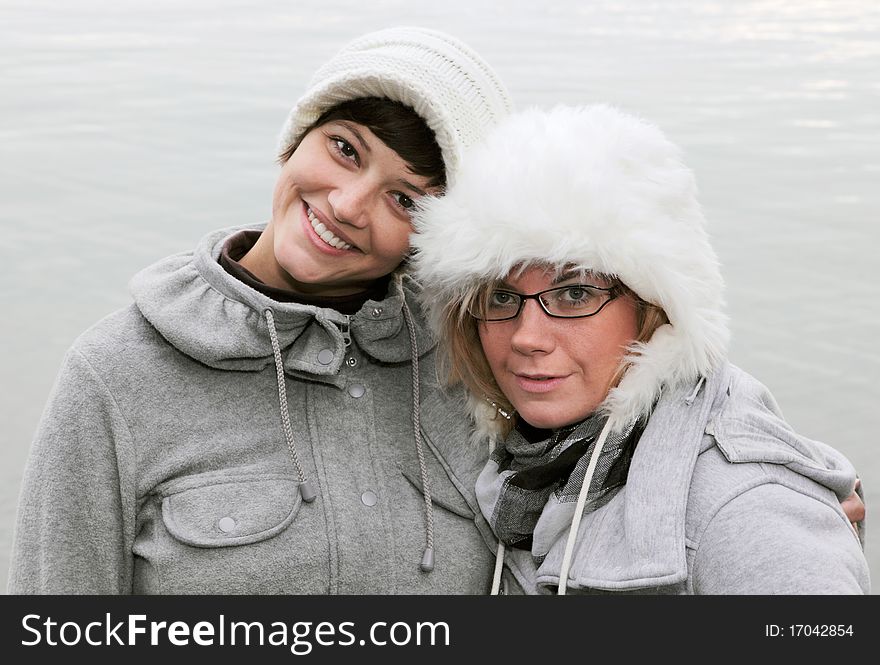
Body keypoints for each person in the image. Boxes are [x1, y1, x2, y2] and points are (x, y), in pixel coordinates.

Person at [7, 26, 512, 594]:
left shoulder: (473, 359)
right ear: (297, 137)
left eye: (404, 199)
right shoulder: (112, 375)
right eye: (345, 149)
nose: (347, 206)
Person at [411, 104, 870, 594]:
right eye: (501, 296)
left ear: (656, 309)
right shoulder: (533, 464)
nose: (527, 337)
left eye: (574, 294)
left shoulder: (746, 508)